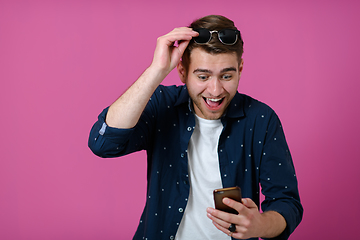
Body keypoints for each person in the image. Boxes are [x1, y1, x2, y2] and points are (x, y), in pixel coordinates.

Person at [88, 15, 303, 240]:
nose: (215, 90)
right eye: (203, 76)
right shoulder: (163, 104)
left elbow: (287, 203)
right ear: (182, 71)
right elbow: (103, 143)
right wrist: (156, 70)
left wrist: (260, 225)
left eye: (227, 76)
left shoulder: (261, 119)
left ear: (240, 68)